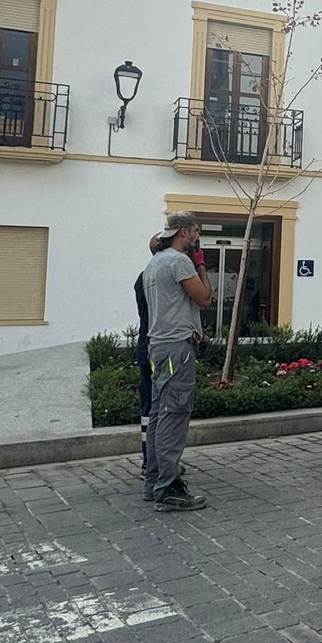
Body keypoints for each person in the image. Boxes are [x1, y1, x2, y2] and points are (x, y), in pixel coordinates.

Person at [141, 211, 213, 512]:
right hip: (177, 348)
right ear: (184, 232)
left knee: (159, 414)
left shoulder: (153, 264)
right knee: (175, 413)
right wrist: (201, 265)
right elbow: (205, 298)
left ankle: (155, 482)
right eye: (196, 231)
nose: (198, 237)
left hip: (158, 345)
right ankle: (169, 488)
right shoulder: (179, 261)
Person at [135, 232, 164, 499]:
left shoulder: (143, 277)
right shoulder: (160, 278)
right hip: (157, 351)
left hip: (145, 349)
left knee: (149, 408)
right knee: (158, 408)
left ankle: (150, 461)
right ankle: (153, 463)